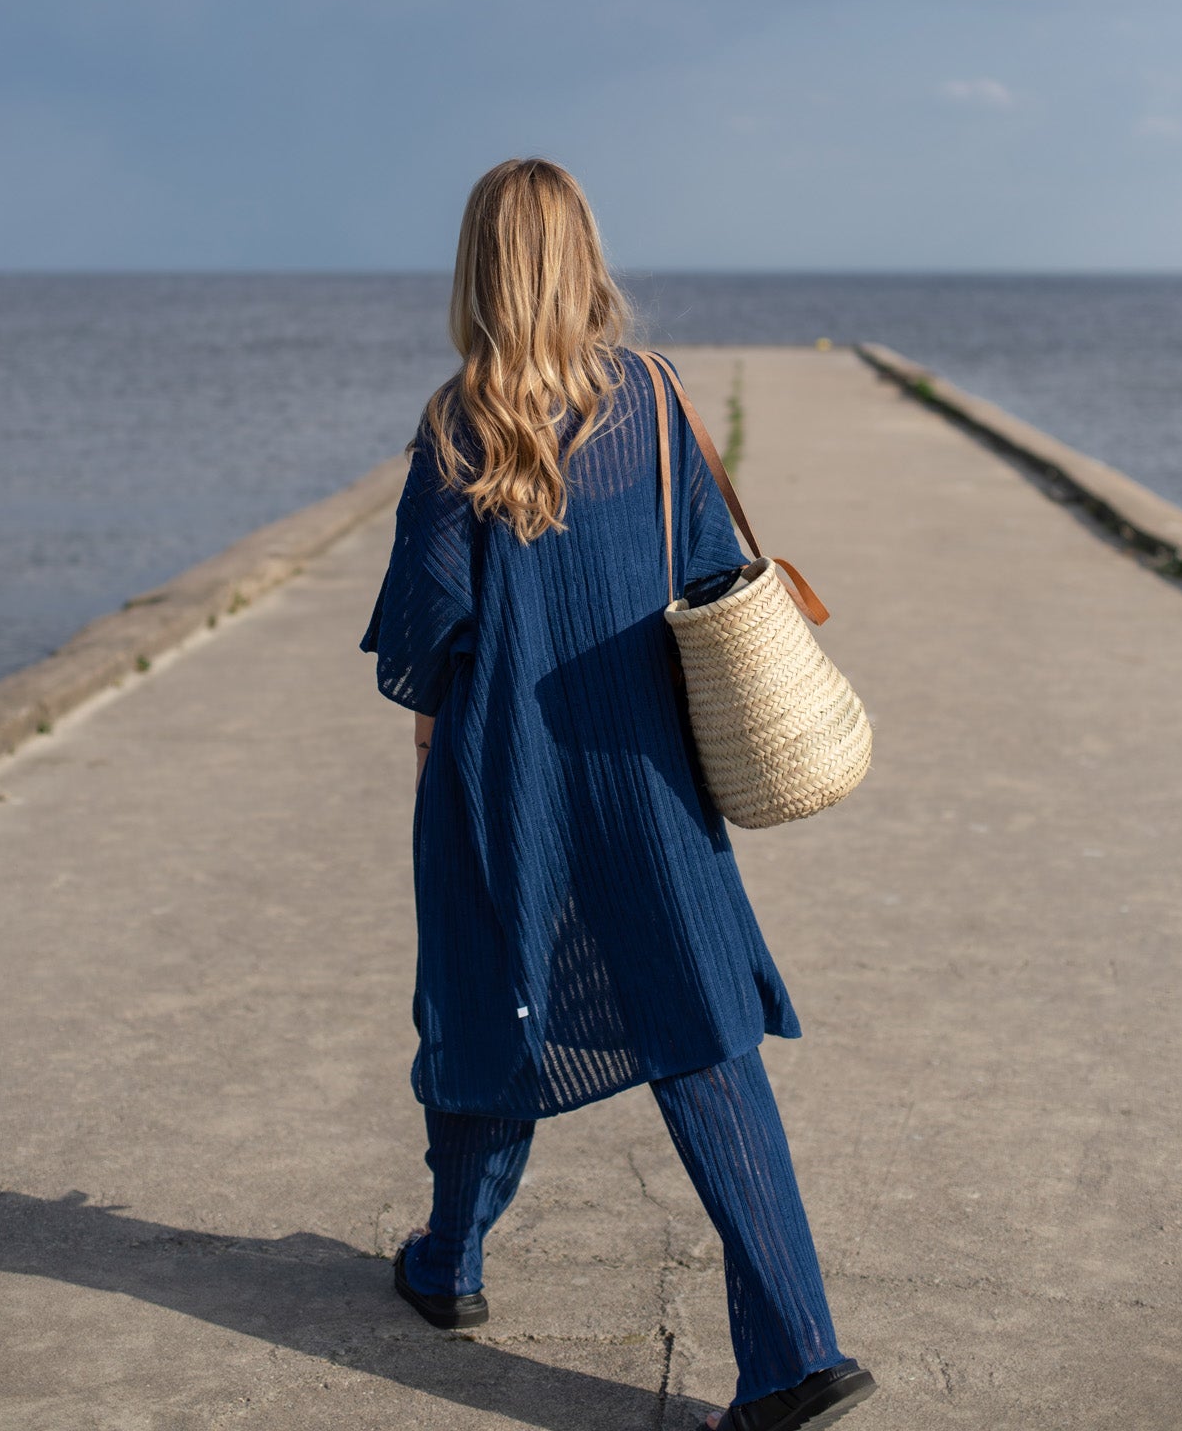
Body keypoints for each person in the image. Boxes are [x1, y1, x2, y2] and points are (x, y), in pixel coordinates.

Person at [361, 158, 875, 1431]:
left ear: (482, 269)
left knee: (488, 1016)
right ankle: (796, 1357)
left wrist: (437, 775)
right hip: (649, 779)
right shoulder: (652, 399)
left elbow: (429, 645)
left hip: (503, 780)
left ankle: (450, 1260)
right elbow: (708, 572)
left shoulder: (455, 427)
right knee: (703, 1038)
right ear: (583, 257)